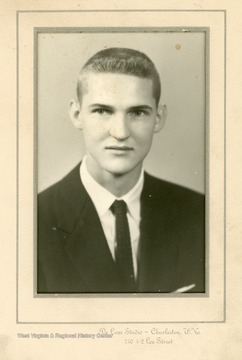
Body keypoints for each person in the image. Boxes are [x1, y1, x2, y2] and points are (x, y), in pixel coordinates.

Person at [37, 47, 205, 294]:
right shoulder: (31, 223)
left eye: (137, 112)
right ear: (76, 114)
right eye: (102, 111)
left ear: (158, 118)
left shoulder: (200, 214)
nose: (121, 132)